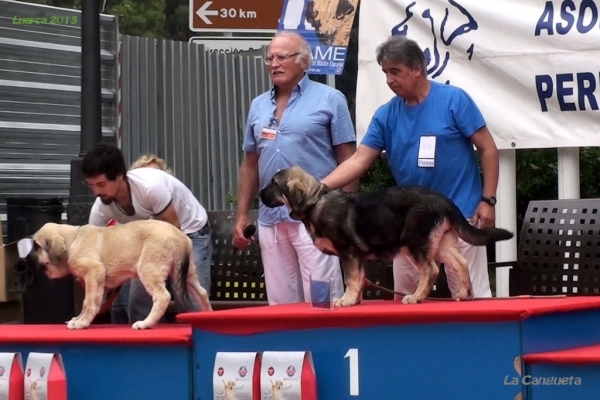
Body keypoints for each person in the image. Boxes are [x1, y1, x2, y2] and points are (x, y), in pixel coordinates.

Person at [321, 35, 500, 300]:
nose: (389, 80)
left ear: (417, 69)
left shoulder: (454, 101)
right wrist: (320, 187)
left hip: (459, 213)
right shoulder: (385, 115)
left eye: (395, 72)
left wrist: (488, 200)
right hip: (409, 222)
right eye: (385, 73)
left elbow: (488, 148)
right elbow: (359, 161)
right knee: (405, 302)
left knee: (471, 298)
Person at [232, 31, 358, 305]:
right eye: (270, 58)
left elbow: (349, 160)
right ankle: (290, 350)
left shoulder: (330, 99)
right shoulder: (257, 105)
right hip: (271, 219)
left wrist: (345, 216)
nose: (273, 63)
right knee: (281, 305)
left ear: (303, 62)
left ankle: (328, 349)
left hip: (317, 218)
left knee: (323, 300)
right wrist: (242, 214)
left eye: (281, 57)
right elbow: (250, 164)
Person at [81, 144, 213, 323]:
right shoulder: (100, 207)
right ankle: (151, 347)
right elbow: (91, 252)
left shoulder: (150, 188)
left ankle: (203, 342)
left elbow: (173, 231)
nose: (96, 192)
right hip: (151, 240)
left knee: (186, 294)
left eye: (101, 184)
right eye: (91, 186)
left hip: (188, 233)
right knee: (138, 302)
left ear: (119, 175)